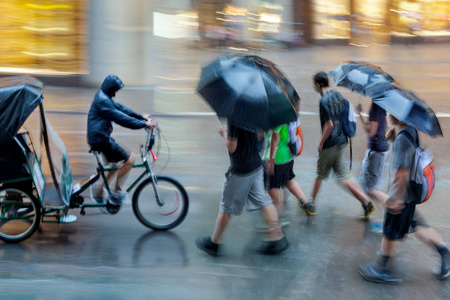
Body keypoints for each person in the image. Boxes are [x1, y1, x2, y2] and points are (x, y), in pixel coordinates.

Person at [359, 114, 450, 283]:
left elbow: (403, 172)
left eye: (390, 113)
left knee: (390, 231)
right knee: (416, 224)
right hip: (411, 193)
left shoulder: (403, 138)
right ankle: (444, 251)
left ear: (398, 116)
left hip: (402, 194)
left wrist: (397, 198)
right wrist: (394, 138)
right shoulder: (410, 131)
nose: (387, 116)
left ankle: (381, 269)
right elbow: (409, 156)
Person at [195, 120, 290, 256]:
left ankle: (214, 243)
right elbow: (261, 135)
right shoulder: (254, 112)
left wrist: (225, 134)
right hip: (255, 165)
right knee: (264, 201)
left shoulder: (235, 118)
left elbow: (232, 146)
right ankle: (277, 238)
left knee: (226, 207)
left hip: (241, 170)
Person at [309, 71, 375, 217]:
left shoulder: (324, 100)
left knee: (320, 175)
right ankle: (365, 203)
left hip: (330, 144)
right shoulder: (337, 95)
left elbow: (330, 125)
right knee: (343, 175)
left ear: (319, 84)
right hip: (341, 141)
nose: (313, 87)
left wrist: (321, 143)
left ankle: (310, 204)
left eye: (314, 84)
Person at [87, 74, 157, 205]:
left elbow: (120, 108)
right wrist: (144, 124)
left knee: (116, 164)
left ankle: (99, 192)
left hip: (99, 136)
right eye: (116, 89)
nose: (117, 92)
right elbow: (121, 118)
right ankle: (117, 193)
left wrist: (141, 117)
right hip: (100, 139)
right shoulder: (103, 100)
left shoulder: (104, 96)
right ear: (111, 88)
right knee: (130, 159)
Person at [264, 124, 316, 221]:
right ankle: (306, 204)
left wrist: (271, 158)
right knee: (289, 180)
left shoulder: (277, 113)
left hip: (278, 157)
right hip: (288, 155)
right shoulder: (289, 110)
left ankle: (279, 213)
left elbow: (275, 136)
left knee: (271, 187)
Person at [356, 102, 390, 206]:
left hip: (376, 150)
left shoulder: (376, 105)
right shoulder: (382, 103)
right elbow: (387, 126)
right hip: (381, 149)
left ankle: (397, 208)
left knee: (371, 189)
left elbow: (371, 132)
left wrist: (360, 114)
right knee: (365, 182)